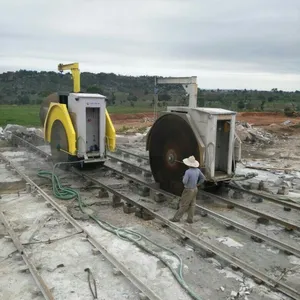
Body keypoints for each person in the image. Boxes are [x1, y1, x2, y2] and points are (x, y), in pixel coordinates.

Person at [169, 155, 206, 224]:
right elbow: (203, 178)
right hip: (195, 189)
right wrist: (197, 184)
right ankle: (190, 219)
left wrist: (184, 177)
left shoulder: (188, 172)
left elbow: (184, 182)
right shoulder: (198, 170)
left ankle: (176, 218)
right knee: (192, 204)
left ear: (188, 164)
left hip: (188, 190)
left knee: (184, 205)